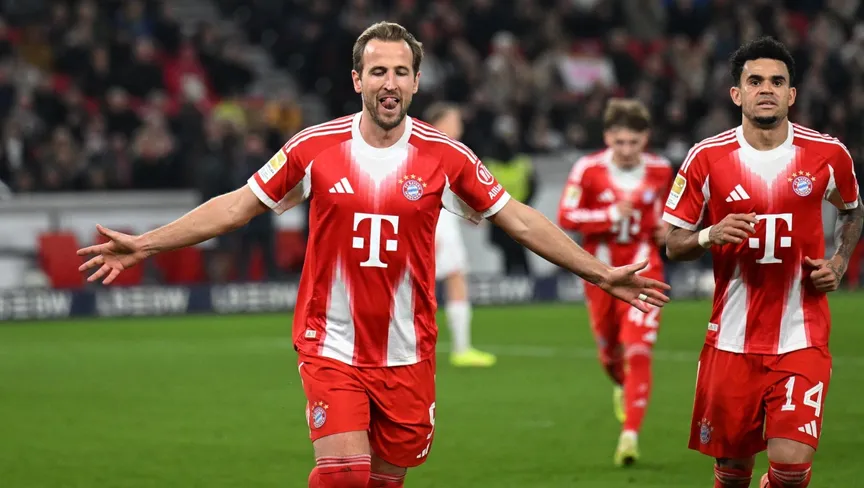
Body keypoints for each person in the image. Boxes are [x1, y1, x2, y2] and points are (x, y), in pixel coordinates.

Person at [77, 22, 671, 488]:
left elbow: (517, 218)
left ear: (416, 82)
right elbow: (236, 207)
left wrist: (599, 272)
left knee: (382, 481)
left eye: (401, 72)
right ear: (357, 80)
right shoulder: (314, 148)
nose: (390, 83)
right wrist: (146, 243)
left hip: (407, 351)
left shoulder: (447, 157)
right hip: (330, 342)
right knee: (344, 475)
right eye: (378, 71)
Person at [662, 37, 863, 488]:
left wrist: (839, 260)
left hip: (801, 334)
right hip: (731, 338)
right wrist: (710, 234)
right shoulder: (706, 157)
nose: (766, 89)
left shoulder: (828, 154)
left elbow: (852, 210)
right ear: (737, 94)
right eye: (755, 81)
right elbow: (672, 242)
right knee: (732, 474)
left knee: (791, 470)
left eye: (777, 81)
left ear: (792, 94)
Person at [558, 98, 672, 467]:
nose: (625, 150)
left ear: (645, 139)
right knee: (609, 355)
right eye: (619, 142)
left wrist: (668, 229)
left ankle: (629, 435)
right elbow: (567, 215)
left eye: (633, 142)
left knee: (637, 349)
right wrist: (608, 215)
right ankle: (623, 386)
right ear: (607, 137)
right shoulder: (588, 169)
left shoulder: (661, 170)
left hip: (644, 272)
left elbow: (670, 214)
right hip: (601, 274)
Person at [423, 101, 496, 368]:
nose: (459, 127)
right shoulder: (429, 151)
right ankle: (419, 346)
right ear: (439, 123)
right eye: (454, 121)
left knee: (455, 278)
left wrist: (471, 213)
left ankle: (462, 348)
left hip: (445, 223)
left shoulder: (448, 151)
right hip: (434, 224)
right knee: (422, 284)